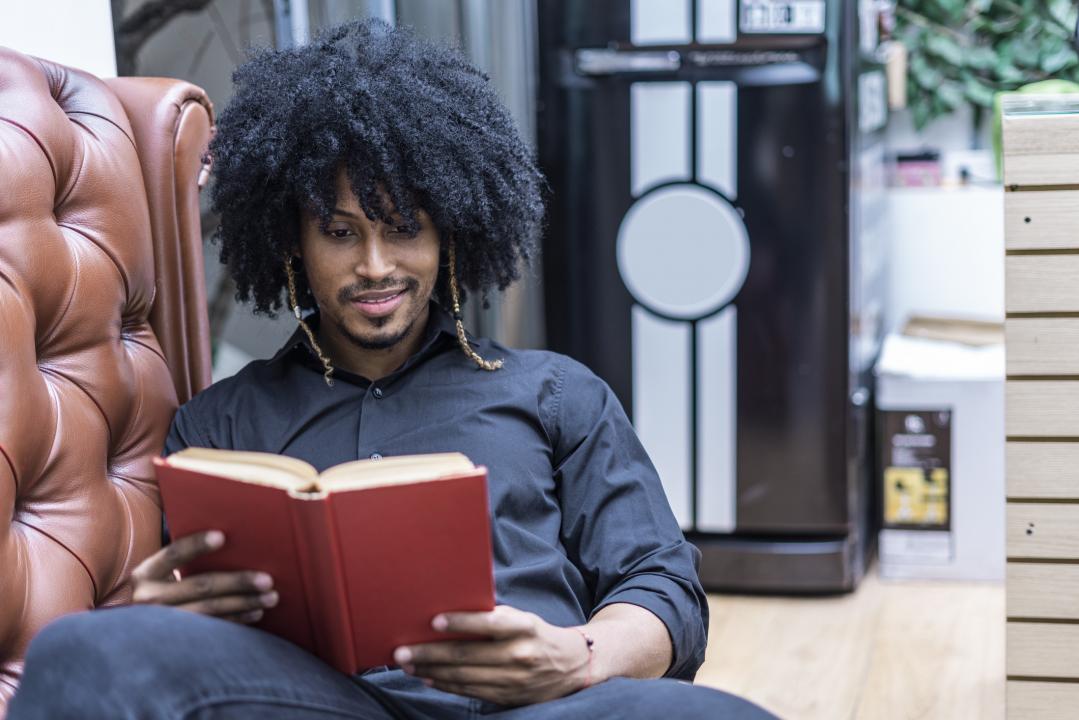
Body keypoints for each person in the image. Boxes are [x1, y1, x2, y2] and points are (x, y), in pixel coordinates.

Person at [9, 19, 774, 720]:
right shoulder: (218, 426)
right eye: (340, 232)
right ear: (293, 243)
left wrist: (579, 658)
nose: (375, 266)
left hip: (541, 708)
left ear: (450, 232)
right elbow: (189, 620)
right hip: (326, 706)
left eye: (404, 228)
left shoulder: (554, 393)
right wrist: (155, 613)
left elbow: (665, 589)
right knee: (86, 649)